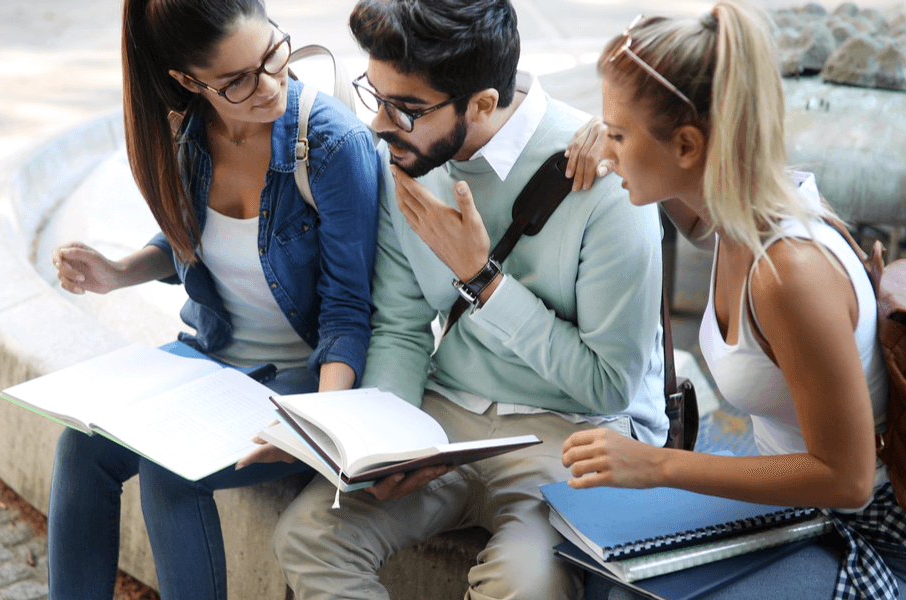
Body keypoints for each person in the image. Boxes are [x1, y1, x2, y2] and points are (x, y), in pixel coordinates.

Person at [560, 2, 906, 599]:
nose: (606, 144)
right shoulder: (739, 209)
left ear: (687, 144)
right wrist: (607, 140)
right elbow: (692, 218)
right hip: (799, 512)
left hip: (878, 541)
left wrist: (656, 466)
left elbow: (849, 478)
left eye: (619, 132)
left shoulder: (787, 275)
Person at [271, 1, 666, 598]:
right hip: (445, 419)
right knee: (306, 536)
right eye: (375, 96)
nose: (378, 124)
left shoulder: (606, 183)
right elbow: (401, 326)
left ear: (482, 103)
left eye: (404, 109)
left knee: (524, 586)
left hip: (570, 433)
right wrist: (391, 440)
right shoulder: (405, 156)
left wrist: (483, 281)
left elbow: (608, 385)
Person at [44, 1, 380, 598]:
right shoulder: (188, 135)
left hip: (303, 382)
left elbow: (349, 311)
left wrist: (323, 425)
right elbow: (193, 244)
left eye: (273, 53)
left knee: (170, 471)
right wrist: (119, 272)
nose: (269, 84)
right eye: (237, 81)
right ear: (188, 82)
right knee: (80, 449)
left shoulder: (331, 146)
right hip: (209, 359)